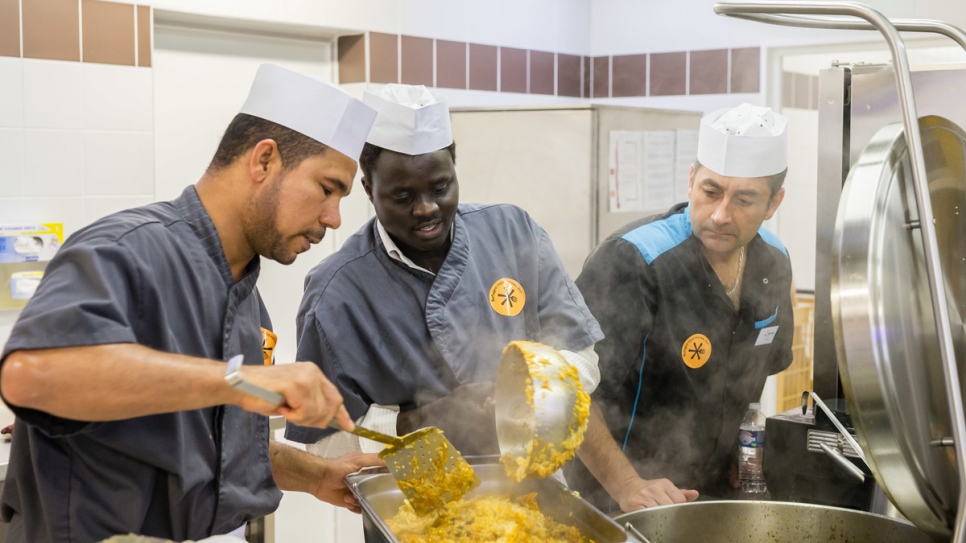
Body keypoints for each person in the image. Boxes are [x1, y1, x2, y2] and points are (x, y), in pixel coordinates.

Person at [0, 64, 381, 542]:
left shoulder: (248, 302)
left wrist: (318, 475)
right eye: (327, 189)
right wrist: (239, 381)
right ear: (264, 161)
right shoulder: (127, 249)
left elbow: (224, 447)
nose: (334, 218)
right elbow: (28, 375)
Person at [284, 84, 698, 511]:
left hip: (536, 490)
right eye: (403, 197)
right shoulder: (337, 291)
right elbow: (323, 447)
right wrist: (425, 422)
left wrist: (529, 388)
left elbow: (582, 357)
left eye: (440, 187)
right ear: (369, 189)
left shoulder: (512, 233)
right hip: (414, 503)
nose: (426, 209)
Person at [567, 103, 795, 509]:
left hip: (710, 494)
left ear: (773, 203)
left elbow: (755, 375)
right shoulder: (633, 260)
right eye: (711, 192)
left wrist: (744, 456)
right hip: (617, 495)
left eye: (744, 200)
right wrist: (626, 484)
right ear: (691, 181)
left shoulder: (773, 262)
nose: (721, 215)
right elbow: (569, 392)